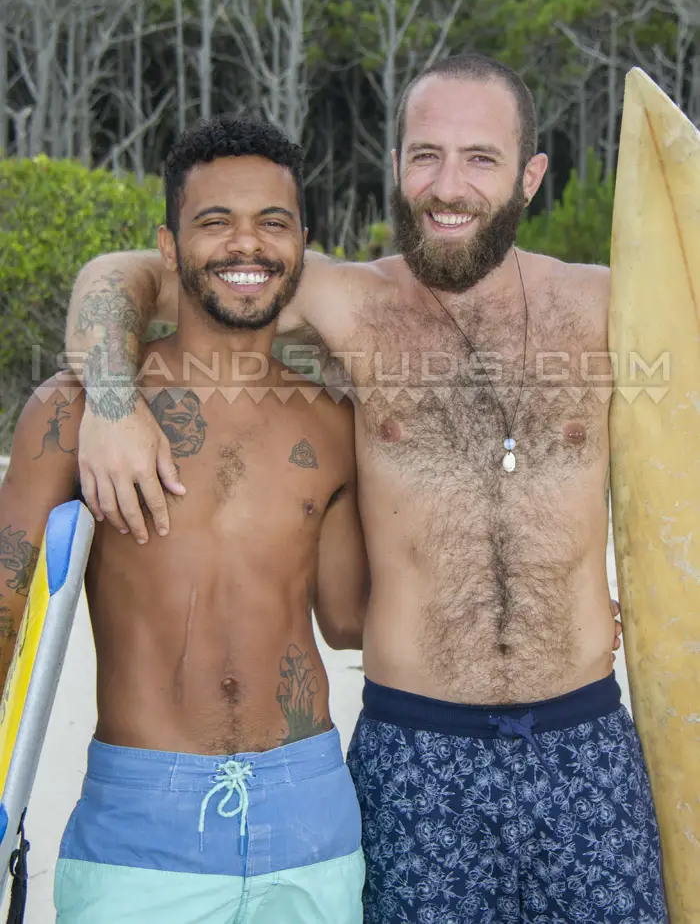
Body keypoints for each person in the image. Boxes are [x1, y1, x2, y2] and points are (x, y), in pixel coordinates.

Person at [63, 54, 662, 924]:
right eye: (426, 155)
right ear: (396, 164)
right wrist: (111, 401)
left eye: (480, 158)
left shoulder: (606, 306)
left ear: (531, 175)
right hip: (417, 753)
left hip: (586, 746)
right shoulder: (341, 301)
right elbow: (125, 274)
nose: (447, 186)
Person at [0, 116, 369, 924]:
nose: (248, 244)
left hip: (309, 812)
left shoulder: (332, 423)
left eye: (273, 221)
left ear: (303, 245)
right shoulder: (73, 413)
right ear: (169, 248)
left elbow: (348, 620)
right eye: (215, 221)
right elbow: (6, 613)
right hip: (142, 821)